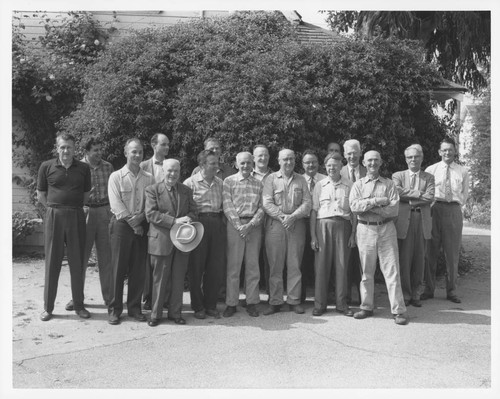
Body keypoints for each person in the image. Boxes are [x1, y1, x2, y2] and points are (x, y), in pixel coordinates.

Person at [349, 150, 409, 325]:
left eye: (376, 160)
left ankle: (398, 311)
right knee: (366, 272)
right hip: (365, 230)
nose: (372, 163)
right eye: (369, 161)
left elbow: (393, 209)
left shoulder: (389, 184)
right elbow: (354, 207)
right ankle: (366, 307)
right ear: (364, 163)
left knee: (392, 271)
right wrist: (376, 201)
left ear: (381, 162)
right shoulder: (358, 185)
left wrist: (367, 205)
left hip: (386, 229)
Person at [37, 133, 92, 321]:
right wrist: (55, 211)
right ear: (57, 148)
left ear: (74, 148)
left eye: (69, 147)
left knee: (77, 263)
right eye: (62, 147)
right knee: (52, 262)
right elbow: (41, 195)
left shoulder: (84, 168)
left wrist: (72, 209)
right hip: (54, 215)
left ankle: (79, 305)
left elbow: (85, 195)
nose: (66, 151)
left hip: (76, 215)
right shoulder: (46, 166)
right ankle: (48, 308)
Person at [107, 138, 155, 325]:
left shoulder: (149, 178)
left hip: (141, 225)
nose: (137, 155)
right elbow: (115, 203)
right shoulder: (116, 176)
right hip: (122, 226)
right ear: (126, 152)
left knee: (138, 269)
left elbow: (152, 203)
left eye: (140, 152)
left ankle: (135, 308)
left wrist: (141, 218)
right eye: (133, 151)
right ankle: (114, 310)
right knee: (118, 269)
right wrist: (133, 222)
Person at [145, 159, 198, 326]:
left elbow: (194, 211)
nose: (173, 174)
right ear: (163, 171)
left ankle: (176, 313)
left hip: (182, 241)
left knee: (178, 279)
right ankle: (155, 314)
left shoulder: (186, 190)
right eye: (169, 171)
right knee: (159, 280)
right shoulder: (152, 190)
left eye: (176, 171)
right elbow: (151, 214)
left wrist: (190, 218)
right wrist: (175, 221)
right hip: (161, 241)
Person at [262, 149, 311, 315]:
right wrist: (283, 216)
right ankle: (275, 301)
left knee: (294, 264)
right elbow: (267, 203)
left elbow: (307, 204)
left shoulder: (301, 180)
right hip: (276, 226)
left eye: (291, 159)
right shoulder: (271, 179)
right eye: (285, 159)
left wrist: (293, 217)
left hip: (296, 226)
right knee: (275, 265)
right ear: (279, 161)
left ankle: (294, 300)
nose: (288, 162)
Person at [422, 137, 470, 303]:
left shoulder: (462, 171)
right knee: (430, 251)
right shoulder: (431, 169)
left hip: (453, 211)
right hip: (434, 209)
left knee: (452, 253)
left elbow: (464, 194)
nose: (447, 152)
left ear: (454, 151)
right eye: (444, 150)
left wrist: (455, 206)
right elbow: (425, 191)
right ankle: (429, 289)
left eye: (450, 149)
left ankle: (452, 291)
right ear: (439, 152)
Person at [310, 152, 356, 316]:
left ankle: (341, 304)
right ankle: (320, 304)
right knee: (321, 267)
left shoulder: (349, 185)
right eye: (329, 165)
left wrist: (353, 235)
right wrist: (313, 236)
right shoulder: (320, 185)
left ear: (340, 167)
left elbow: (354, 212)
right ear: (325, 167)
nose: (332, 168)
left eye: (335, 165)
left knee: (342, 266)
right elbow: (314, 212)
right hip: (323, 227)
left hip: (343, 227)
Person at [71, 137, 114, 310]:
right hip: (85, 212)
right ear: (86, 152)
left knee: (106, 258)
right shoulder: (78, 168)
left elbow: (113, 190)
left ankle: (110, 298)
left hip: (104, 212)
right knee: (80, 257)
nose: (98, 153)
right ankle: (77, 298)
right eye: (95, 150)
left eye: (100, 149)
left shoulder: (108, 167)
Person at [222, 152, 265, 317]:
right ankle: (231, 303)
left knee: (253, 266)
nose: (245, 166)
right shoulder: (229, 181)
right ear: (236, 163)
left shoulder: (259, 184)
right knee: (234, 267)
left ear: (252, 163)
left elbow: (262, 207)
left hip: (254, 227)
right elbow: (227, 205)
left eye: (248, 163)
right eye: (242, 163)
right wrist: (240, 226)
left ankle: (252, 302)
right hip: (235, 226)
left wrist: (251, 224)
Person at [184, 150, 226, 319]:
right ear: (202, 165)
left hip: (216, 223)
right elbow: (185, 207)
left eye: (217, 163)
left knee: (215, 267)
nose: (217, 166)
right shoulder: (190, 183)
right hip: (198, 224)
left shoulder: (221, 183)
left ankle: (211, 304)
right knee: (196, 266)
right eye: (213, 164)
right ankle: (198, 306)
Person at [392, 145, 434, 307]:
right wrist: (418, 195)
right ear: (406, 159)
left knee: (419, 259)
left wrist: (408, 198)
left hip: (422, 220)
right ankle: (405, 294)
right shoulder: (398, 175)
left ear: (422, 158)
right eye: (410, 157)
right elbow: (397, 192)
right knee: (404, 259)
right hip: (405, 221)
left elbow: (430, 197)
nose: (413, 160)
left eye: (416, 157)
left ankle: (416, 293)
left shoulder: (429, 177)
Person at [140, 133, 170, 310]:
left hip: (165, 220)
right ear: (153, 145)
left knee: (163, 260)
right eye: (163, 144)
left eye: (167, 145)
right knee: (147, 261)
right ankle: (147, 297)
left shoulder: (172, 166)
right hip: (147, 217)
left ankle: (163, 298)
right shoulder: (143, 166)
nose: (166, 148)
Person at [340, 139, 366, 305]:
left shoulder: (368, 170)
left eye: (355, 153)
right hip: (345, 222)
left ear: (360, 153)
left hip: (364, 222)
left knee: (362, 260)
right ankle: (346, 295)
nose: (352, 156)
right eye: (349, 153)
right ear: (344, 155)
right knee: (346, 260)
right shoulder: (337, 170)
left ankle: (363, 295)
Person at [300, 150, 327, 303]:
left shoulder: (325, 179)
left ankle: (322, 297)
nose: (311, 165)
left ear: (318, 163)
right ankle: (301, 297)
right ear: (303, 165)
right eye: (307, 162)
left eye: (314, 162)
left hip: (321, 223)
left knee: (321, 260)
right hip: (302, 223)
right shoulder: (298, 180)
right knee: (302, 261)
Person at [252, 144, 273, 298]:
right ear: (253, 158)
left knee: (271, 259)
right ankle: (251, 296)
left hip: (271, 223)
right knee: (252, 260)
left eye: (265, 155)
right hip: (252, 223)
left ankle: (272, 294)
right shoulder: (247, 174)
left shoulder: (275, 176)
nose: (263, 158)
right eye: (259, 155)